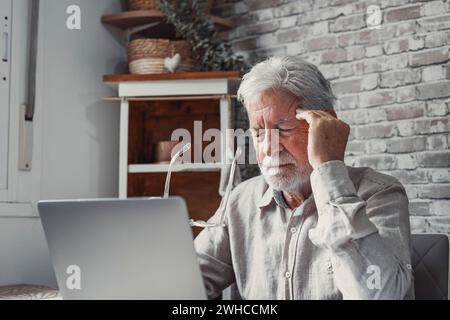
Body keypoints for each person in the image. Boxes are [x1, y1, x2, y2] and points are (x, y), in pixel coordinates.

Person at [194, 56, 413, 300]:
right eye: (258, 132)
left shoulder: (380, 194)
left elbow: (382, 294)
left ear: (325, 124)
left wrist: (328, 167)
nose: (269, 147)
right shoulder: (240, 201)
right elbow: (187, 281)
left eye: (284, 129)